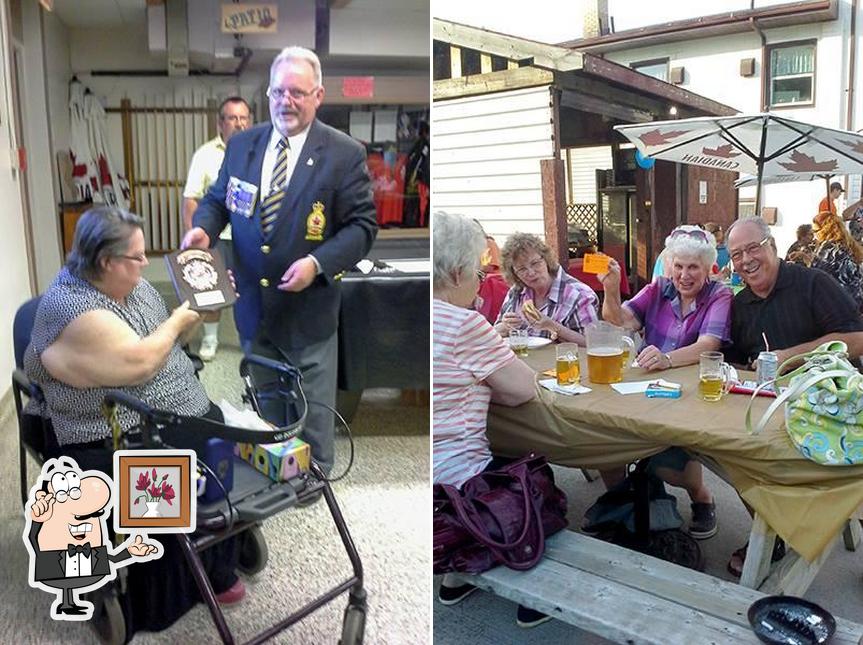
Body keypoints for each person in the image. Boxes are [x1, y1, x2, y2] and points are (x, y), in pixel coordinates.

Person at [23, 206, 245, 634]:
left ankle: (216, 554)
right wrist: (182, 314)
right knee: (161, 477)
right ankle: (165, 591)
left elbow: (173, 343)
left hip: (175, 413)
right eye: (138, 257)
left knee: (215, 446)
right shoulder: (71, 307)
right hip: (105, 433)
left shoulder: (135, 288)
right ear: (106, 261)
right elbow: (142, 363)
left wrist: (202, 308)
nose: (146, 266)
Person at [183, 46, 378, 481]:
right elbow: (218, 201)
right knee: (267, 397)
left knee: (312, 404)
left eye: (296, 92)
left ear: (318, 95)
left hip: (309, 308)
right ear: (266, 95)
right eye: (277, 92)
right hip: (254, 302)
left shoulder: (343, 153)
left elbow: (363, 228)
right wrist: (204, 229)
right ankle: (276, 468)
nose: (285, 102)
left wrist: (317, 261)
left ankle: (316, 476)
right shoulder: (244, 145)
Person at [432, 212, 548, 628]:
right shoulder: (464, 322)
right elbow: (523, 390)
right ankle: (528, 574)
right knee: (539, 480)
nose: (483, 280)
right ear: (459, 271)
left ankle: (456, 575)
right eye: (480, 272)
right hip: (456, 491)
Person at [598, 224, 731, 540]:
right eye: (679, 266)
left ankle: (702, 496)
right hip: (647, 386)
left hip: (691, 392)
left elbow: (708, 345)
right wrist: (612, 289)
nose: (685, 275)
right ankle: (630, 500)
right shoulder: (658, 287)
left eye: (694, 267)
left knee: (667, 464)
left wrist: (667, 359)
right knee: (604, 438)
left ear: (708, 268)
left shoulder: (719, 293)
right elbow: (618, 322)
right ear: (670, 264)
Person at [725, 216, 863, 369]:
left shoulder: (814, 284)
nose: (746, 259)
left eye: (753, 248)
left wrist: (790, 358)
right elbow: (736, 362)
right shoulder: (740, 305)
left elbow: (857, 340)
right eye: (736, 254)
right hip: (766, 391)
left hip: (830, 388)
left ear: (772, 245)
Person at [182, 96, 252, 361]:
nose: (239, 123)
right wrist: (194, 238)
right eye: (232, 118)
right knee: (213, 290)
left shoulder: (258, 152)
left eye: (243, 118)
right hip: (217, 237)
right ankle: (210, 340)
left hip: (249, 238)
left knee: (248, 292)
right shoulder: (205, 154)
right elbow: (191, 198)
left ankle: (249, 343)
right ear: (220, 123)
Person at [494, 232, 599, 345]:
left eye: (535, 263)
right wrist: (505, 326)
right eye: (522, 269)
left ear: (546, 260)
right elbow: (493, 334)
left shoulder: (579, 294)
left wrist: (553, 326)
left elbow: (593, 344)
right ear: (514, 273)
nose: (531, 272)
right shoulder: (516, 292)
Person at [810, 211, 863, 311]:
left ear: (824, 230)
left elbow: (815, 275)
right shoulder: (847, 245)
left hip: (837, 305)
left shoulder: (828, 248)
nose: (814, 235)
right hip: (855, 301)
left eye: (815, 231)